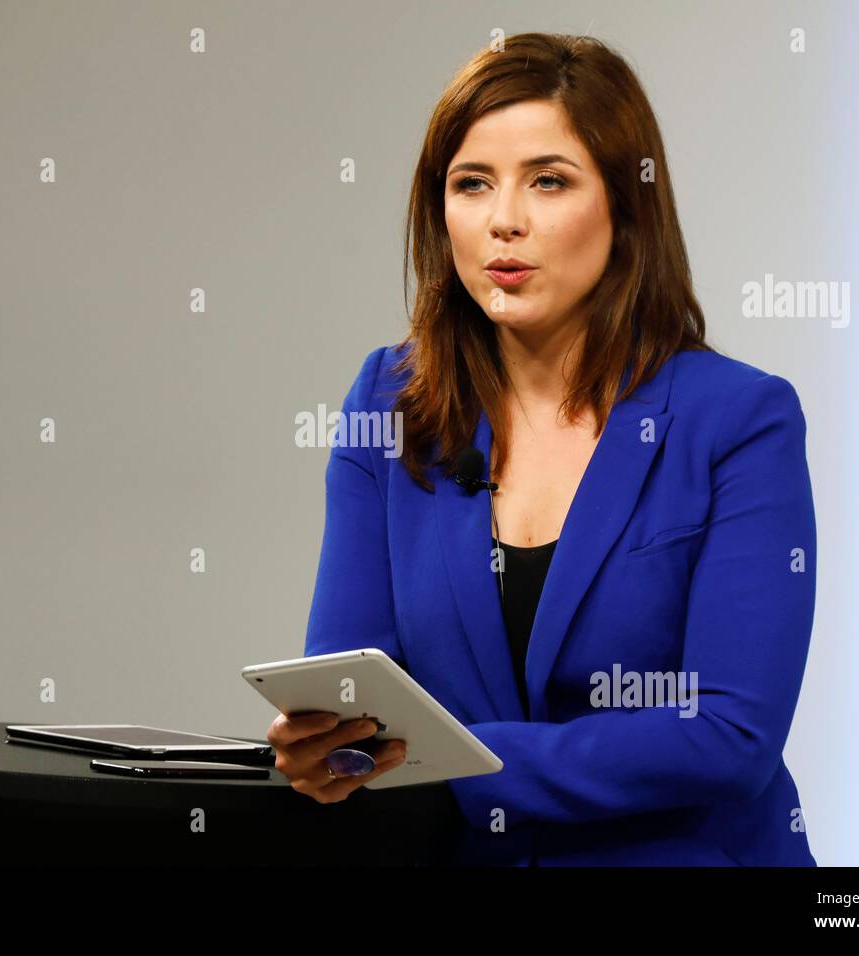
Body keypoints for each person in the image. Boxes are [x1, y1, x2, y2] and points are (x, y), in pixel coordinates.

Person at [266, 32, 817, 866]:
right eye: (471, 184)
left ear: (626, 206)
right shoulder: (391, 401)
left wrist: (453, 763)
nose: (504, 221)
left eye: (548, 181)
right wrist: (327, 750)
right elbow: (353, 690)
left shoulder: (739, 419)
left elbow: (731, 734)